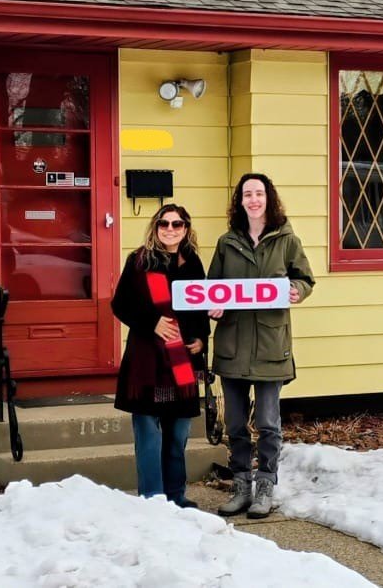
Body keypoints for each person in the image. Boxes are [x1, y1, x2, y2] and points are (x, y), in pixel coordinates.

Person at [207, 173, 315, 519]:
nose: (253, 199)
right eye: (247, 194)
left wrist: (299, 290)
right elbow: (212, 286)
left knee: (268, 423)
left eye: (259, 193)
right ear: (240, 201)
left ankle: (266, 483)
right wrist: (214, 304)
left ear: (269, 198)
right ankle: (241, 485)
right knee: (236, 423)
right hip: (233, 344)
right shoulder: (227, 242)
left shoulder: (286, 240)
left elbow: (304, 278)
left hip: (270, 344)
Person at [109, 203, 208, 508]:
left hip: (181, 360)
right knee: (149, 434)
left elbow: (200, 307)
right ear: (155, 227)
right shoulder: (139, 261)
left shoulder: (192, 263)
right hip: (147, 360)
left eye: (177, 224)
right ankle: (153, 499)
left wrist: (201, 340)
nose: (170, 229)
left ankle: (176, 496)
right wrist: (152, 322)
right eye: (164, 224)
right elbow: (120, 305)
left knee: (178, 434)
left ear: (186, 229)